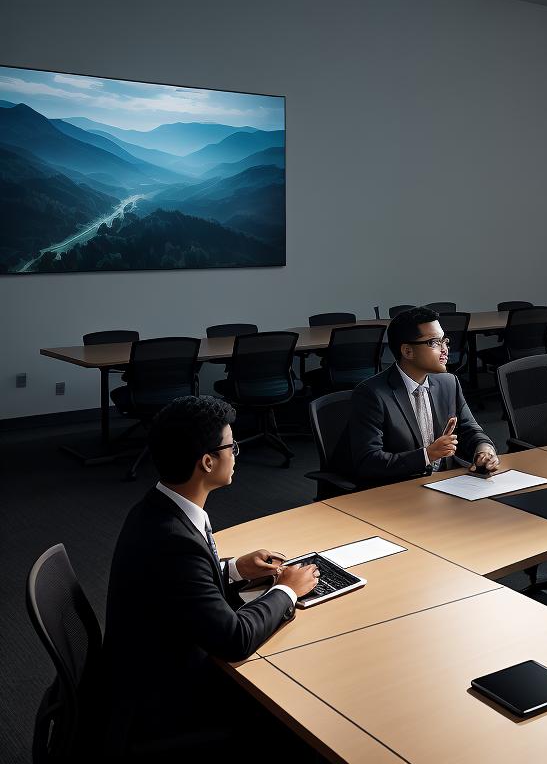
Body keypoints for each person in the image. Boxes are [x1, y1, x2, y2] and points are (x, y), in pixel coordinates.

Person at [99, 395, 321, 755]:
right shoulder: (173, 540)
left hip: (141, 666)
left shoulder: (159, 508)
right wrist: (286, 591)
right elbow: (233, 640)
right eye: (231, 446)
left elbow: (178, 582)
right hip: (163, 699)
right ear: (206, 461)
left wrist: (234, 569)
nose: (236, 453)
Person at [339, 307, 497, 488]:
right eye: (434, 343)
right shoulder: (371, 394)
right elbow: (368, 461)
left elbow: (470, 431)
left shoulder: (449, 383)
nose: (445, 349)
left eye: (444, 341)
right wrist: (427, 455)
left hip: (446, 485)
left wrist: (484, 450)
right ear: (407, 351)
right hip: (398, 490)